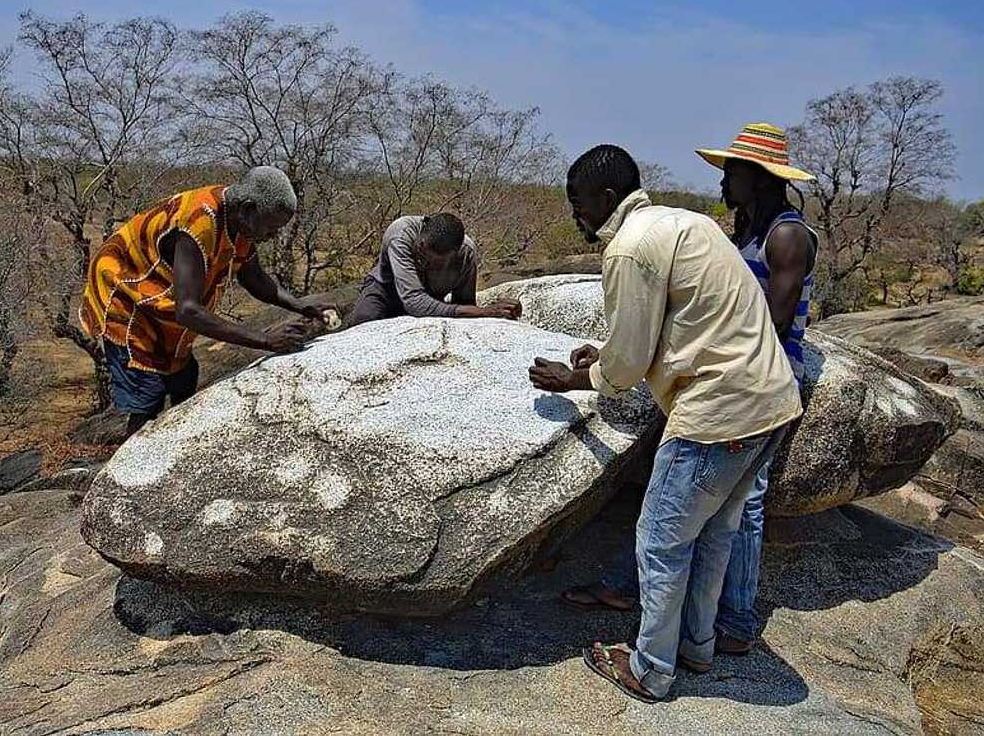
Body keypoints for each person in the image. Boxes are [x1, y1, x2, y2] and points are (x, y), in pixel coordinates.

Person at [529, 145, 801, 702]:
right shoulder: (686, 222)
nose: (576, 215)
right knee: (715, 533)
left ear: (606, 200)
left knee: (659, 541)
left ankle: (651, 668)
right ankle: (697, 646)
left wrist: (578, 378)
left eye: (578, 204)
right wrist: (605, 354)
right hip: (770, 400)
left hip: (717, 412)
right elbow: (680, 323)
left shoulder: (629, 248)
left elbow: (628, 363)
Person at [80, 166, 334, 437]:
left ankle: (176, 445)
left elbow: (254, 278)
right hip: (125, 293)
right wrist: (265, 341)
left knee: (183, 378)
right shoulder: (198, 223)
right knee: (147, 390)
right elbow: (188, 311)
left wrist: (300, 305)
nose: (272, 236)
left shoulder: (239, 222)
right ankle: (131, 464)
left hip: (161, 298)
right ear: (248, 209)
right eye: (270, 227)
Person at [696, 122, 818, 655]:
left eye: (732, 172)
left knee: (745, 500)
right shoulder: (746, 229)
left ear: (760, 177)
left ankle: (738, 619)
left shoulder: (787, 235)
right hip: (735, 370)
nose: (723, 182)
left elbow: (775, 319)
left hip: (763, 378)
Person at [349, 212, 521, 325]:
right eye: (422, 254)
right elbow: (414, 302)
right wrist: (486, 311)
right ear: (422, 240)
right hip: (385, 289)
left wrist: (495, 312)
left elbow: (464, 304)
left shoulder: (466, 253)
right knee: (363, 321)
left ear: (454, 254)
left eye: (437, 264)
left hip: (430, 296)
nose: (426, 263)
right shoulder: (401, 234)